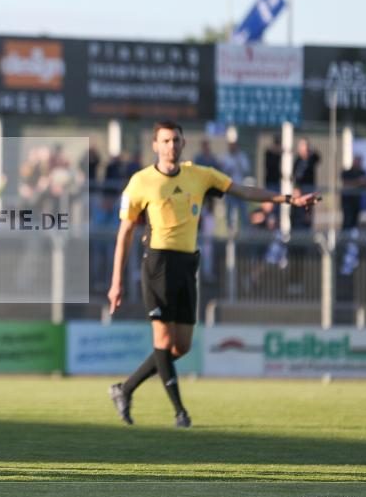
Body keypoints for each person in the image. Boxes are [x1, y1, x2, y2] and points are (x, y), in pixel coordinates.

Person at [107, 120, 318, 428]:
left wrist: (289, 200)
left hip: (187, 264)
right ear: (155, 145)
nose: (171, 146)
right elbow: (124, 232)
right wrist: (116, 282)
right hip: (157, 266)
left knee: (181, 346)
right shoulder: (140, 182)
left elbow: (243, 191)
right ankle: (181, 413)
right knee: (163, 340)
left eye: (176, 140)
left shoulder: (199, 175)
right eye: (165, 141)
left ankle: (123, 389)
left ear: (183, 143)